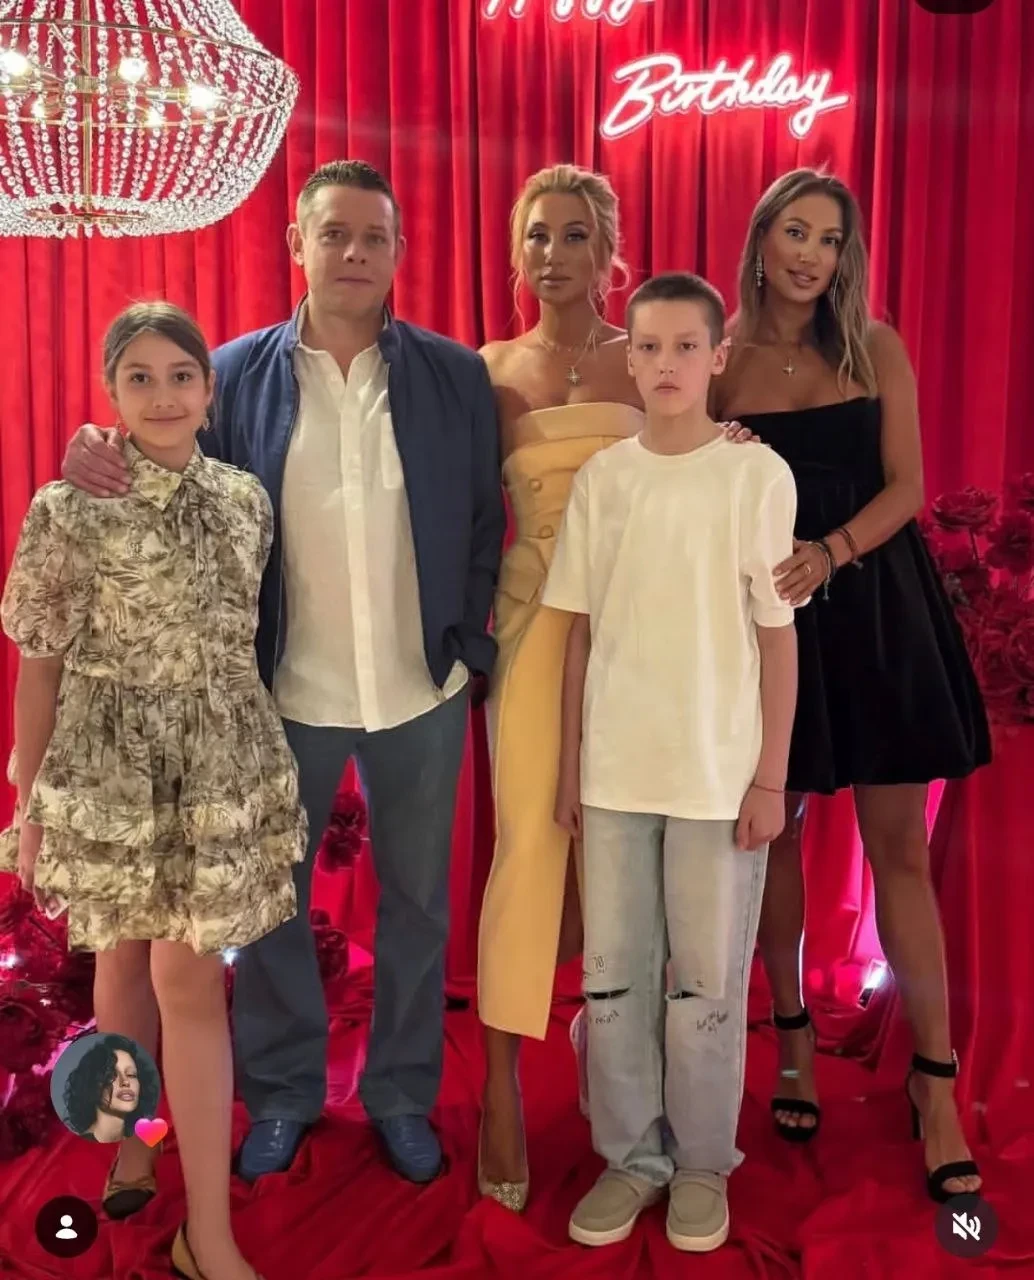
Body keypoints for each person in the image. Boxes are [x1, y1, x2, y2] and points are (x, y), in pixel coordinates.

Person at [60, 161, 506, 1187]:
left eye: (374, 236)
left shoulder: (453, 375)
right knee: (268, 909)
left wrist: (468, 644)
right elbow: (168, 474)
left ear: (398, 252)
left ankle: (400, 1093)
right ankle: (284, 1093)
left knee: (418, 906)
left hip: (421, 688)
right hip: (277, 697)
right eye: (334, 233)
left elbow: (486, 518)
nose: (354, 252)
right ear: (297, 244)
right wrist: (96, 446)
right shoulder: (233, 375)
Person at [2, 301, 304, 1280]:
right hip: (106, 769)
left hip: (216, 769)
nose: (163, 395)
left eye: (181, 375)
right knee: (121, 966)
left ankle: (205, 1230)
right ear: (111, 392)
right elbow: (39, 667)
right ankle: (134, 1140)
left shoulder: (247, 501)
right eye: (140, 376)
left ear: (210, 390)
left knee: (189, 983)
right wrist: (31, 803)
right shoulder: (66, 508)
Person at [476, 165, 752, 1210]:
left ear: (608, 251)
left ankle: (631, 1093)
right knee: (527, 849)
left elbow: (704, 464)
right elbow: (457, 509)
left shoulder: (647, 355)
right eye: (536, 234)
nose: (554, 253)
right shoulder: (487, 370)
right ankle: (501, 1085)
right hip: (532, 630)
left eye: (575, 234)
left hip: (643, 635)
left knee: (627, 870)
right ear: (516, 252)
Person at [712, 168, 989, 1202]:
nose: (810, 255)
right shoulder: (719, 358)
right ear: (762, 239)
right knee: (774, 832)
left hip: (874, 606)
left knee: (898, 848)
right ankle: (790, 1040)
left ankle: (935, 1082)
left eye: (829, 240)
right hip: (770, 621)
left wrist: (828, 550)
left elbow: (907, 487)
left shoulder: (875, 346)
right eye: (795, 232)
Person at [547, 272, 798, 1251]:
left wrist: (769, 776)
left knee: (703, 985)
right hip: (615, 772)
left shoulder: (753, 476)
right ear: (629, 357)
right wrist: (569, 765)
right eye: (646, 346)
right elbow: (578, 631)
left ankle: (699, 1159)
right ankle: (630, 1155)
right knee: (613, 978)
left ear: (716, 356)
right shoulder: (604, 479)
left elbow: (776, 637)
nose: (664, 364)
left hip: (712, 775)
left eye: (685, 346)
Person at [63, 1035, 161, 1154]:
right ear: (91, 1084)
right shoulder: (79, 1153)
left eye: (131, 1075)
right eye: (111, 1076)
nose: (125, 1082)